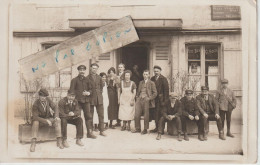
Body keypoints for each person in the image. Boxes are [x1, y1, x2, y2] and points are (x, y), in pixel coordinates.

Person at [70, 65, 96, 139]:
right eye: (80, 70)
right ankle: (79, 135)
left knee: (88, 117)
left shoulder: (87, 80)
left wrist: (88, 93)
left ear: (85, 71)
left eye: (83, 70)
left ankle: (89, 133)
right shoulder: (74, 80)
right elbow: (71, 91)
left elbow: (91, 89)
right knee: (78, 117)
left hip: (86, 101)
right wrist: (74, 100)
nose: (82, 71)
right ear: (78, 71)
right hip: (77, 102)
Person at [132, 70, 157, 134]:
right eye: (144, 74)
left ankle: (145, 129)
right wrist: (137, 97)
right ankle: (138, 128)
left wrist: (149, 98)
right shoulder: (141, 82)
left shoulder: (152, 83)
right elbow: (138, 91)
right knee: (137, 114)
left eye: (146, 74)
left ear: (149, 75)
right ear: (143, 75)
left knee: (146, 115)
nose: (145, 76)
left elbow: (155, 93)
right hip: (139, 99)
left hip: (146, 99)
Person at [86, 63, 106, 137]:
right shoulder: (87, 78)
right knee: (90, 115)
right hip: (91, 98)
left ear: (97, 69)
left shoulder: (99, 78)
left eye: (96, 68)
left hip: (99, 98)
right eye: (93, 68)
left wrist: (99, 93)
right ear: (91, 68)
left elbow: (101, 87)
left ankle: (102, 130)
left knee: (101, 115)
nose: (94, 69)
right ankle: (90, 131)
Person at [150, 65, 169, 133]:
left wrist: (165, 101)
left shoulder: (163, 79)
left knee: (161, 114)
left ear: (160, 71)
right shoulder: (152, 78)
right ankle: (156, 128)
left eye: (157, 71)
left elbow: (166, 91)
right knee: (155, 114)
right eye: (155, 71)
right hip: (154, 100)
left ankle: (161, 129)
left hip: (161, 100)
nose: (156, 72)